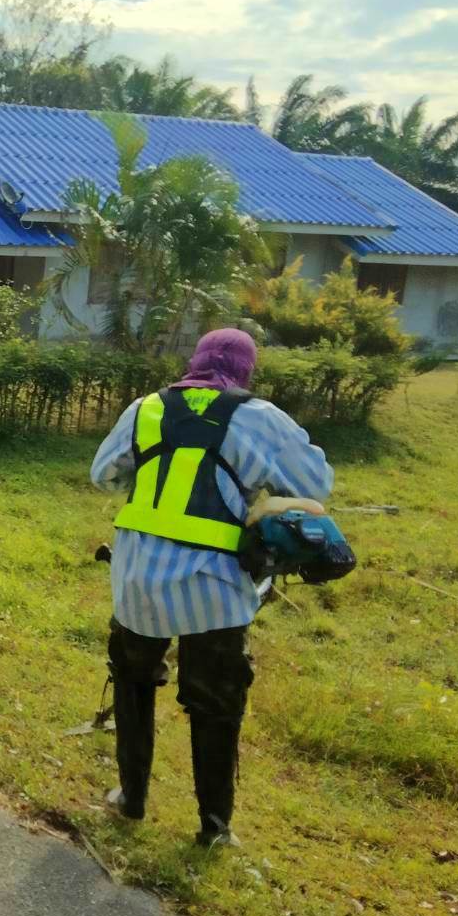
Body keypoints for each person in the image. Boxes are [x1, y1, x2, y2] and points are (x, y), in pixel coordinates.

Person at [89, 328, 333, 848]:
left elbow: (103, 474)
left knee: (133, 684)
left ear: (194, 363)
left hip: (137, 578)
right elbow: (315, 487)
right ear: (246, 371)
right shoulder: (259, 418)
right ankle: (215, 828)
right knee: (216, 704)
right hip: (214, 588)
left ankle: (131, 799)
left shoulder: (146, 408)